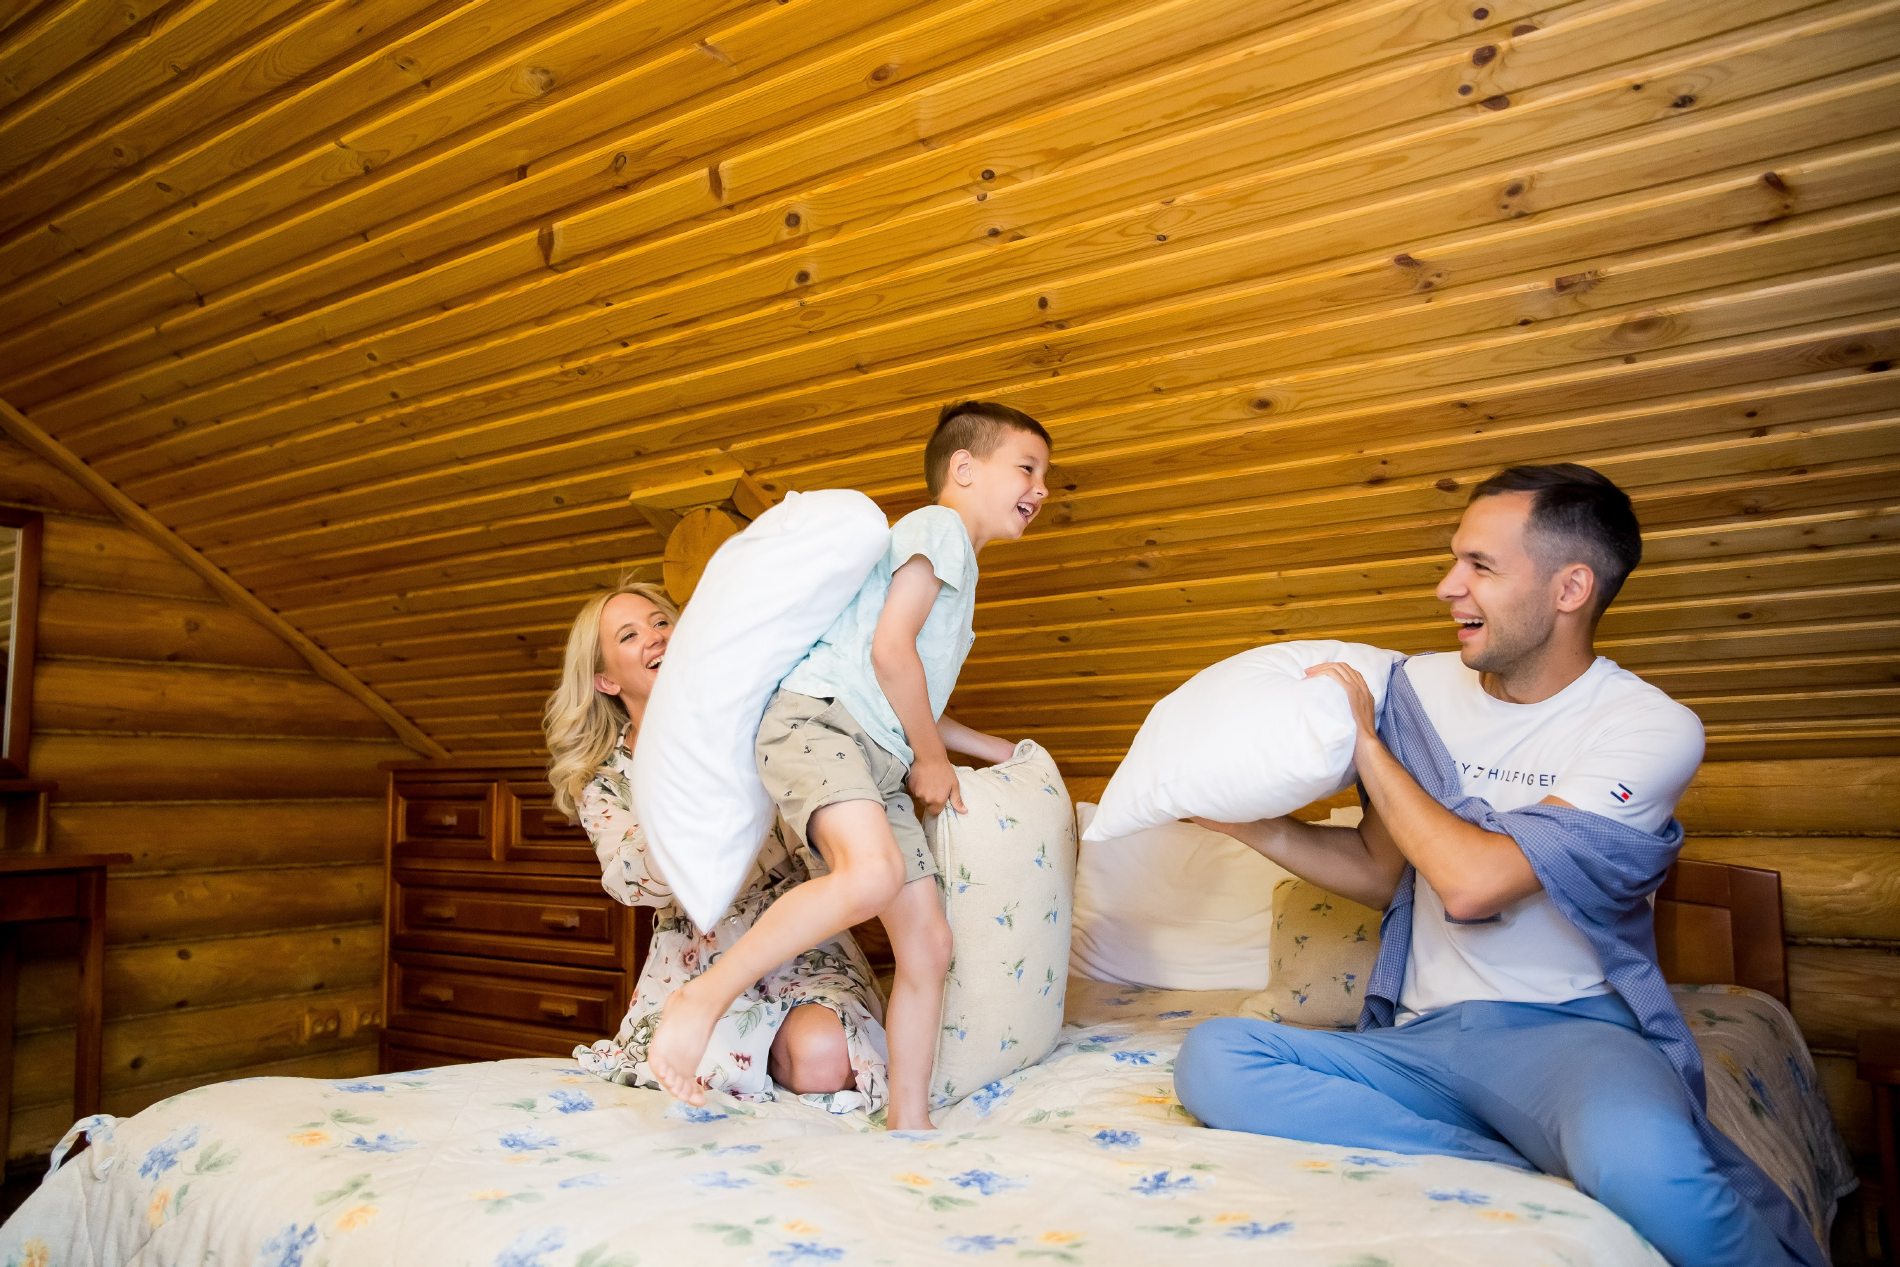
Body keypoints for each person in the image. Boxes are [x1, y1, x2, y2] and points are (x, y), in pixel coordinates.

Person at [1172, 464, 1824, 1267]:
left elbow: (1473, 884)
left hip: (1571, 1035)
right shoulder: (1419, 690)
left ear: (1570, 587)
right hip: (1422, 1040)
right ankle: (1514, 1157)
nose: (1448, 586)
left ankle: (1575, 1142)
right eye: (1454, 559)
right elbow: (1381, 870)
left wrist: (1368, 745)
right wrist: (1244, 824)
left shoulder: (1650, 728)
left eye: (1479, 565)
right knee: (1217, 1059)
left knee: (1649, 1170)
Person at [644, 400, 1051, 1130]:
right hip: (821, 722)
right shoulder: (940, 530)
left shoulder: (957, 569)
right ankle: (700, 998)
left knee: (928, 944)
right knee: (870, 875)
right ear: (963, 467)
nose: (1041, 488)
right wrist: (934, 759)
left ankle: (909, 1124)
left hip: (876, 752)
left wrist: (989, 749)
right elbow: (890, 654)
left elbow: (906, 689)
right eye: (1027, 467)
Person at [545, 579, 888, 1114]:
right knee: (700, 1056)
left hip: (797, 930)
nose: (655, 637)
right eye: (629, 635)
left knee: (823, 1058)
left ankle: (748, 1056)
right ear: (607, 680)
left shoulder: (754, 715)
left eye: (661, 622)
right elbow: (631, 882)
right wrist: (690, 811)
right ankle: (734, 1049)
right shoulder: (606, 777)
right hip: (695, 952)